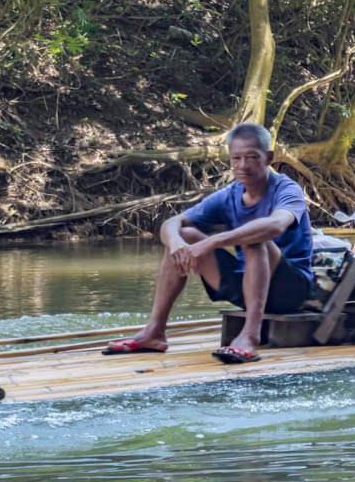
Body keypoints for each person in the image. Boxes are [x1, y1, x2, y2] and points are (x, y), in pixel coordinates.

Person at [103, 122, 313, 364]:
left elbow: (275, 226)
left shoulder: (287, 189)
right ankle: (154, 332)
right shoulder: (230, 195)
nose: (242, 166)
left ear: (268, 158)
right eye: (236, 158)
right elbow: (172, 223)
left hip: (291, 292)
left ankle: (250, 336)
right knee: (187, 235)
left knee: (255, 240)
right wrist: (176, 243)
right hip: (247, 287)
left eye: (252, 158)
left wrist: (213, 241)